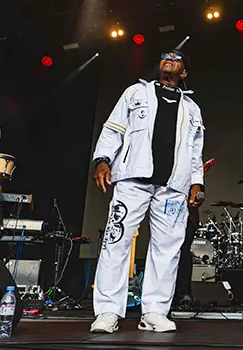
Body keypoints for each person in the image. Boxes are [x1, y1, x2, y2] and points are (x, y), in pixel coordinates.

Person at [90, 49, 205, 334]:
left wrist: (197, 182)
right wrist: (102, 160)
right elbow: (113, 129)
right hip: (132, 180)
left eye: (177, 58)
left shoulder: (191, 108)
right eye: (165, 56)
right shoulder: (135, 93)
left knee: (167, 250)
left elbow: (195, 152)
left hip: (173, 188)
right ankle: (107, 311)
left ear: (185, 72)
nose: (169, 59)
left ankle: (154, 311)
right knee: (116, 242)